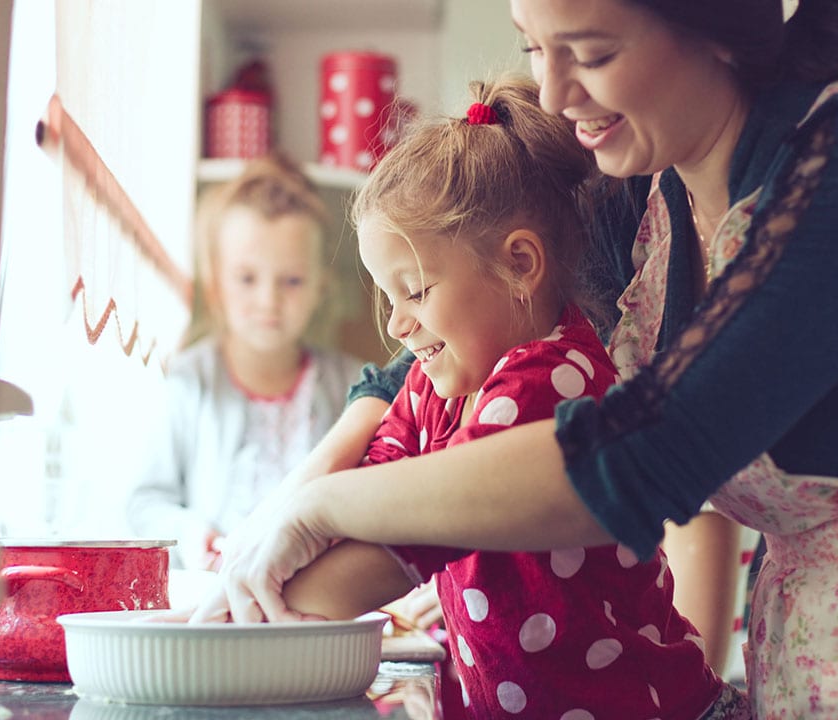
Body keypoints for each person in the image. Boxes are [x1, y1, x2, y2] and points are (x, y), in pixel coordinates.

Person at [200, 1, 838, 716]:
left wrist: (321, 504)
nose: (551, 94)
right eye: (534, 45)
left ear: (710, 29)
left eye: (587, 53)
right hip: (835, 653)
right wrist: (283, 519)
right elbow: (421, 366)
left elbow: (636, 457)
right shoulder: (645, 196)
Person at [199, 76, 748, 719]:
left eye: (417, 291)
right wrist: (266, 560)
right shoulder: (441, 376)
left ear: (520, 264)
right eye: (389, 296)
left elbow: (408, 535)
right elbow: (378, 472)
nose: (398, 327)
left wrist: (233, 613)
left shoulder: (550, 380)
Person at [126, 153, 363, 571]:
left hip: (317, 600)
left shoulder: (354, 387)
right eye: (247, 279)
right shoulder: (189, 381)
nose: (267, 301)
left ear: (319, 287)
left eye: (291, 281)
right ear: (216, 283)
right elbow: (146, 500)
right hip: (214, 598)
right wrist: (195, 536)